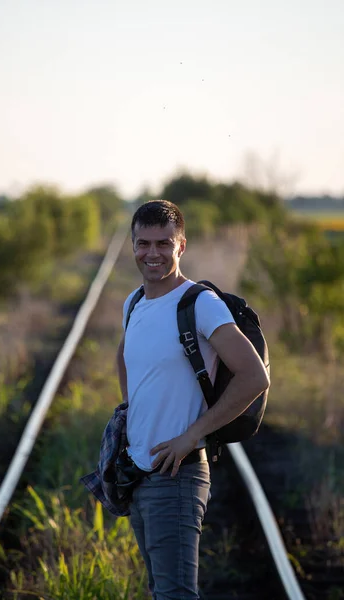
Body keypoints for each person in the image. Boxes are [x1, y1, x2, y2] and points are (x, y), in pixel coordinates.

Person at [117, 199, 270, 599]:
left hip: (177, 475)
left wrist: (192, 436)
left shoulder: (200, 304)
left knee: (175, 594)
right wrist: (131, 421)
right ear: (132, 245)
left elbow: (254, 376)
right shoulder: (133, 303)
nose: (153, 253)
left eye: (164, 244)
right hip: (139, 472)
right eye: (143, 243)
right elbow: (126, 358)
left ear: (181, 246)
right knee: (160, 591)